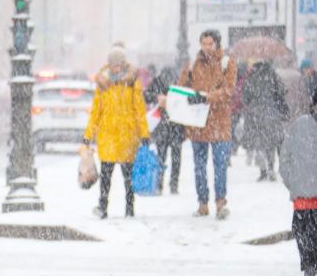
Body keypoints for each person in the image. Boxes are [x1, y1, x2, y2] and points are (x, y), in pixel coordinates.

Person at [83, 44, 149, 218]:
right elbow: (96, 112)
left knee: (128, 178)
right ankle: (102, 207)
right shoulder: (103, 85)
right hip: (108, 137)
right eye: (112, 64)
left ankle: (130, 208)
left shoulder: (132, 83)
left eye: (118, 63)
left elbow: (139, 110)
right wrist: (88, 135)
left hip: (128, 136)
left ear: (124, 64)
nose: (115, 67)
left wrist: (144, 134)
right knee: (106, 176)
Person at [178, 29, 238, 220]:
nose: (206, 47)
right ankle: (202, 203)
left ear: (217, 44)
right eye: (203, 44)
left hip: (220, 122)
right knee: (199, 166)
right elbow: (182, 88)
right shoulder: (193, 63)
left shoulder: (226, 62)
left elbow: (229, 90)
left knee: (220, 165)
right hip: (198, 123)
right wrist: (187, 85)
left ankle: (220, 203)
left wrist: (206, 97)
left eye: (210, 44)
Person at [279, 85, 317, 276]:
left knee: (307, 244)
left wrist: (295, 186)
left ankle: (308, 275)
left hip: (302, 203)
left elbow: (284, 163)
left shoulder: (298, 126)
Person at [242, 59, 290, 182]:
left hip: (256, 116)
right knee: (272, 143)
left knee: (260, 143)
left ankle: (263, 171)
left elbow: (245, 97)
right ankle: (271, 168)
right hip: (272, 114)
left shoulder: (251, 77)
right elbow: (282, 91)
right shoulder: (273, 74)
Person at [145, 65, 182, 194]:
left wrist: (155, 96)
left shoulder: (157, 82)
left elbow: (146, 95)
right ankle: (172, 184)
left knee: (163, 156)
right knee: (173, 157)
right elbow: (145, 96)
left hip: (167, 125)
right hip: (173, 125)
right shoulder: (177, 83)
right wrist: (157, 97)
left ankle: (162, 185)